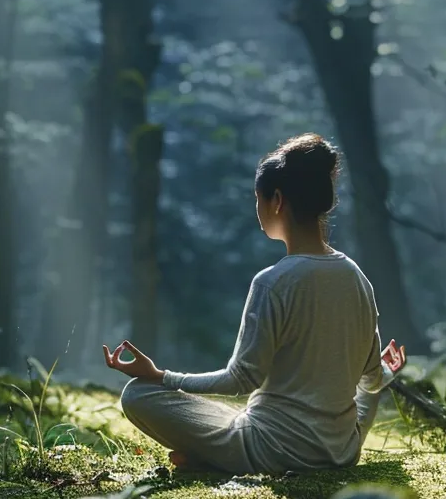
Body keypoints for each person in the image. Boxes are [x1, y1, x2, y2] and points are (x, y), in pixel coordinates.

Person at [104, 133, 408, 474]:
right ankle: (210, 455)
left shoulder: (273, 282)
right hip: (342, 452)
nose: (258, 209)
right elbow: (370, 381)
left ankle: (211, 458)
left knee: (136, 394)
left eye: (258, 199)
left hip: (270, 450)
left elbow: (241, 380)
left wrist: (161, 376)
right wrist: (387, 370)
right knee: (236, 417)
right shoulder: (358, 279)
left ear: (277, 200)